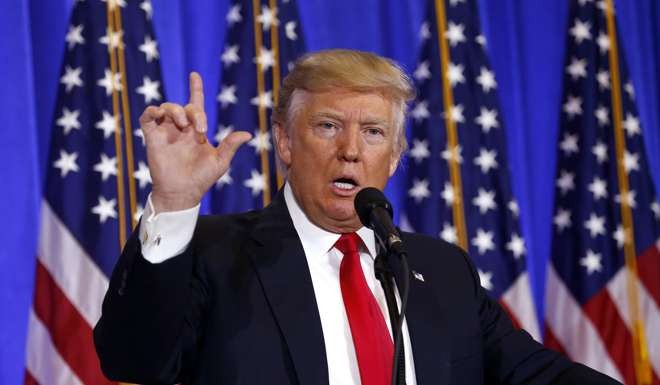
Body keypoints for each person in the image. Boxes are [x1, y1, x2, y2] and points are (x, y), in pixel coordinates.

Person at [94, 49, 619, 385]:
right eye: (327, 126)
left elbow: (534, 374)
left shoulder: (440, 270)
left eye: (372, 132)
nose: (350, 150)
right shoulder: (215, 254)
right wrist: (174, 202)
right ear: (284, 141)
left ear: (393, 156)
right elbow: (132, 361)